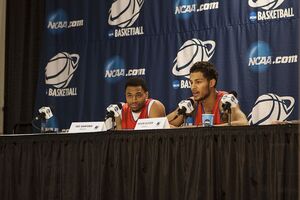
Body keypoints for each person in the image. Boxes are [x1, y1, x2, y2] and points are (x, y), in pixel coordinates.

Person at [167, 61, 248, 127]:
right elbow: (163, 124)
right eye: (191, 83)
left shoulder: (224, 101)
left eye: (198, 82)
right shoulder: (192, 103)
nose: (193, 87)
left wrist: (201, 129)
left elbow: (243, 123)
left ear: (211, 83)